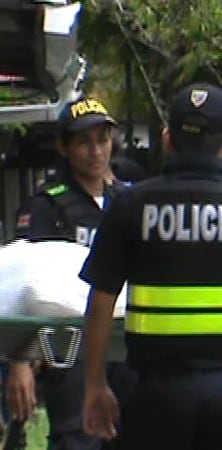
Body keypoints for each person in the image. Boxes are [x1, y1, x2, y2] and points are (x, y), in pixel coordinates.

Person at [79, 83, 222, 450]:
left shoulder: (130, 205)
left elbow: (99, 305)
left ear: (168, 139)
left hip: (154, 394)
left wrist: (94, 384)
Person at [6, 97, 136, 450]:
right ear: (64, 147)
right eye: (84, 142)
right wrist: (20, 361)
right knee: (77, 439)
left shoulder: (127, 201)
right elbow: (24, 286)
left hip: (126, 342)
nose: (96, 152)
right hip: (70, 345)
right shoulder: (46, 205)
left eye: (103, 140)